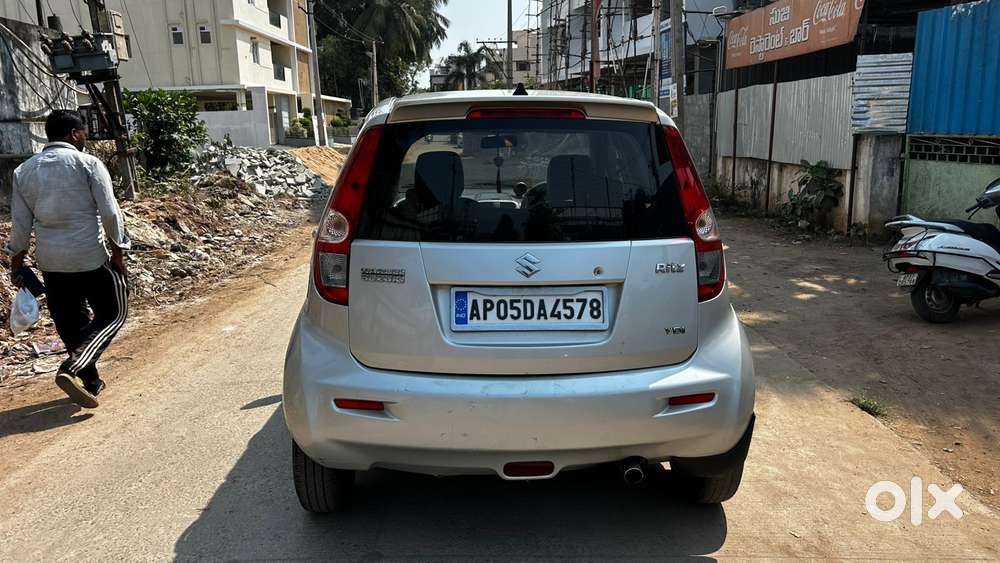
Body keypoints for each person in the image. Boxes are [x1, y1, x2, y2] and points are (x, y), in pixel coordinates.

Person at [5, 110, 130, 409]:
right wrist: (118, 252)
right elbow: (110, 213)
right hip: (90, 256)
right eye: (84, 132)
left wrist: (17, 263)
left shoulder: (23, 171)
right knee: (114, 313)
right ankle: (71, 369)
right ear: (74, 134)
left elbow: (20, 225)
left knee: (72, 324)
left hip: (51, 263)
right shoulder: (88, 164)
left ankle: (89, 382)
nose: (86, 137)